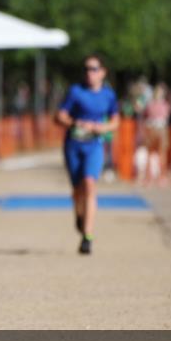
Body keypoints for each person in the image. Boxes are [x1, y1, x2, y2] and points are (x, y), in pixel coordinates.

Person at [55, 54, 120, 255]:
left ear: (102, 72)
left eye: (93, 69)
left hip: (94, 145)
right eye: (86, 69)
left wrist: (101, 127)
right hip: (73, 145)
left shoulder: (108, 95)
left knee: (90, 184)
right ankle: (79, 216)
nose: (89, 73)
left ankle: (87, 237)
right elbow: (59, 116)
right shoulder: (75, 91)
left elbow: (115, 121)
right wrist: (75, 123)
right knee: (77, 190)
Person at [142, 83, 171, 185]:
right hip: (161, 128)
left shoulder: (150, 104)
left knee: (150, 154)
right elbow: (166, 116)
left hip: (151, 128)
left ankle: (148, 178)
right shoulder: (165, 105)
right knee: (161, 154)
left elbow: (146, 114)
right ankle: (161, 177)